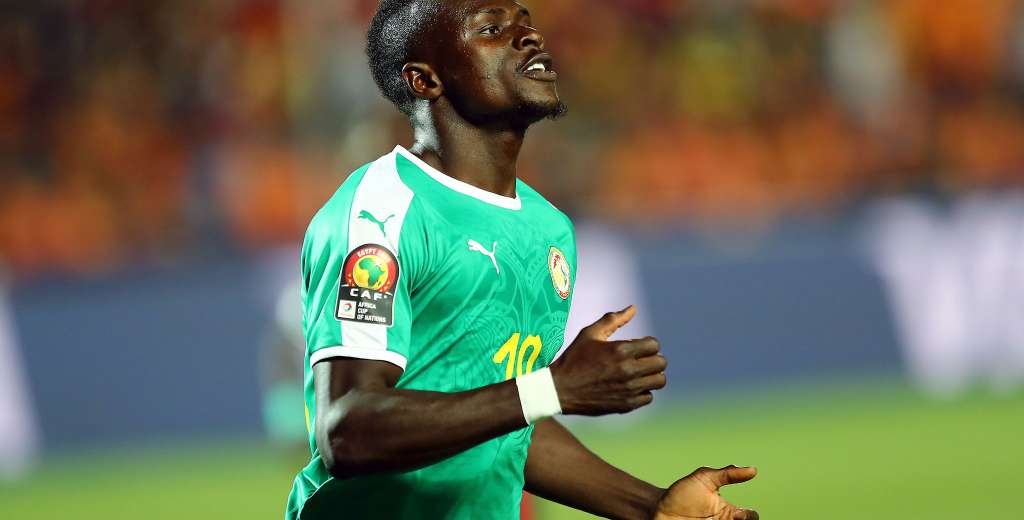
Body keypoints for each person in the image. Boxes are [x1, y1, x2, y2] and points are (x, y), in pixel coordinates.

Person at [285, 1, 759, 518]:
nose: (529, 37)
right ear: (425, 80)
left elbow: (504, 426)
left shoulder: (547, 228)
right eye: (492, 28)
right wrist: (550, 388)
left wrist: (652, 507)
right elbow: (347, 430)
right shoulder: (381, 214)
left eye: (526, 23)